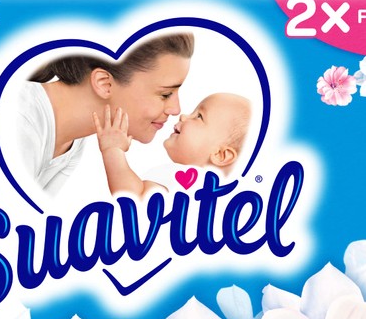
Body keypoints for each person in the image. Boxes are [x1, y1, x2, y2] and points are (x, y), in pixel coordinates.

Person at [16, 32, 193, 194]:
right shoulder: (20, 120)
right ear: (104, 84)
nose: (176, 109)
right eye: (165, 94)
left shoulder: (73, 142)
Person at [93, 92, 251, 196]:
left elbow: (134, 196)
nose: (183, 116)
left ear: (220, 154)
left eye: (199, 116)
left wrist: (112, 149)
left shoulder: (193, 181)